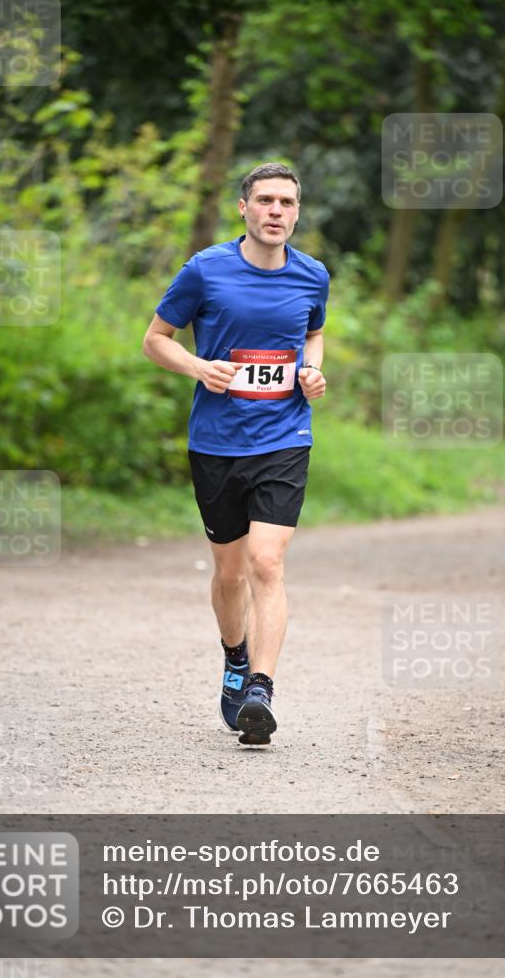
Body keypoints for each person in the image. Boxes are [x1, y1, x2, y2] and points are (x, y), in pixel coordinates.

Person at [142, 162, 328, 745]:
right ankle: (235, 657)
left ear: (297, 212)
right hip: (218, 442)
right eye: (266, 201)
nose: (277, 211)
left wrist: (313, 368)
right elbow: (155, 340)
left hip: (285, 436)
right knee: (229, 571)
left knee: (266, 562)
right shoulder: (205, 270)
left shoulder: (313, 275)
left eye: (288, 203)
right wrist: (199, 367)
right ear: (243, 208)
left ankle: (260, 691)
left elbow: (314, 331)